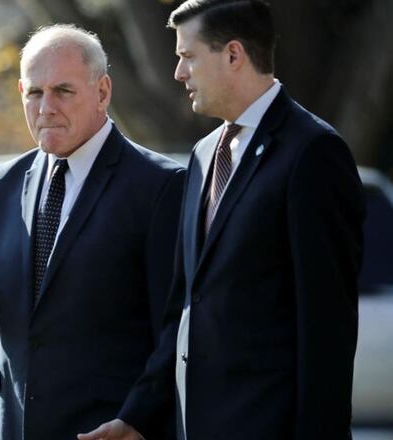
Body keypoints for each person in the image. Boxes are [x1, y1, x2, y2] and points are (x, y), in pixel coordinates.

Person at [79, 1, 365, 439]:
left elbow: (327, 329)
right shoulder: (203, 154)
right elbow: (185, 307)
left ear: (233, 55)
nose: (178, 72)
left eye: (187, 56)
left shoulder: (313, 153)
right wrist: (137, 415)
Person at [0, 24, 184, 440]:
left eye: (63, 90)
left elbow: (178, 325)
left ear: (102, 92)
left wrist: (140, 417)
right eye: (35, 93)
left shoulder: (160, 185)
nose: (46, 107)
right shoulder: (4, 185)